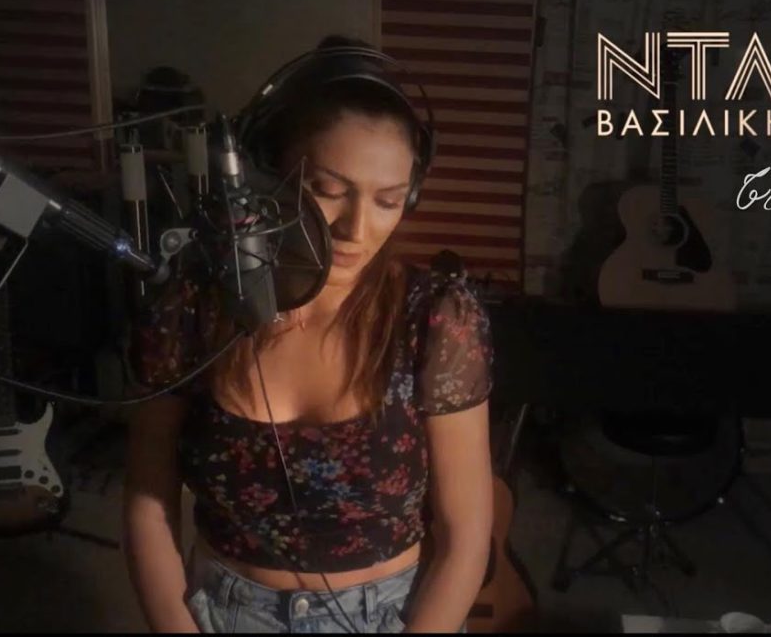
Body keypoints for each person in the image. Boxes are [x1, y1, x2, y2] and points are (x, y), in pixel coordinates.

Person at [122, 35, 495, 633]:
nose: (356, 228)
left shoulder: (436, 318)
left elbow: (466, 533)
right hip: (223, 612)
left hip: (389, 618)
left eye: (388, 200)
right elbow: (148, 501)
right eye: (328, 190)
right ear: (266, 173)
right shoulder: (193, 305)